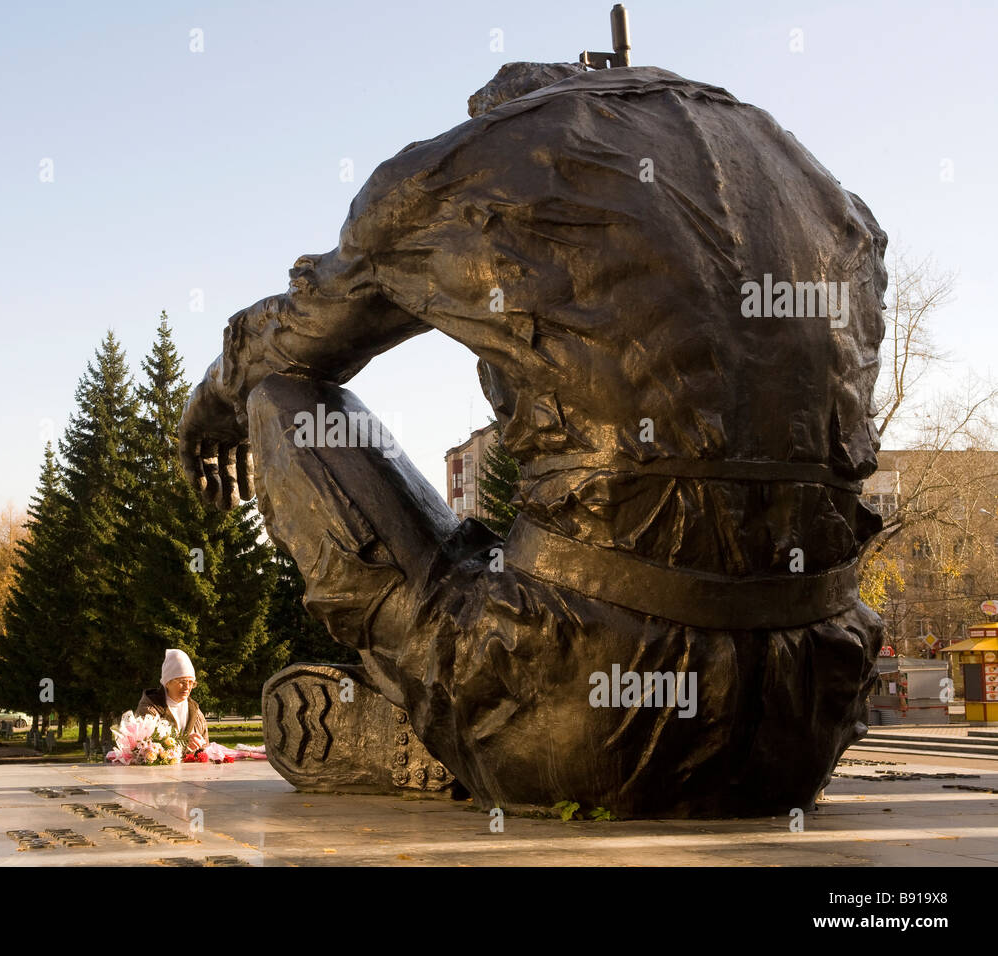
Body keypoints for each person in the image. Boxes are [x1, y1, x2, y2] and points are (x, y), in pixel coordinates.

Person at [178, 62, 887, 816]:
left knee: (281, 400)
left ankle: (441, 710)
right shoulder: (826, 196)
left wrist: (209, 404)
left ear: (502, 108)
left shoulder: (474, 167)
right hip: (805, 713)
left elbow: (289, 341)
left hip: (578, 709)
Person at [135, 650, 209, 754]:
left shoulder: (196, 712)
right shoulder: (149, 709)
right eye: (182, 682)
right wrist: (183, 743)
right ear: (167, 682)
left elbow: (205, 749)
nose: (187, 687)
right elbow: (144, 750)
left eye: (191, 682)